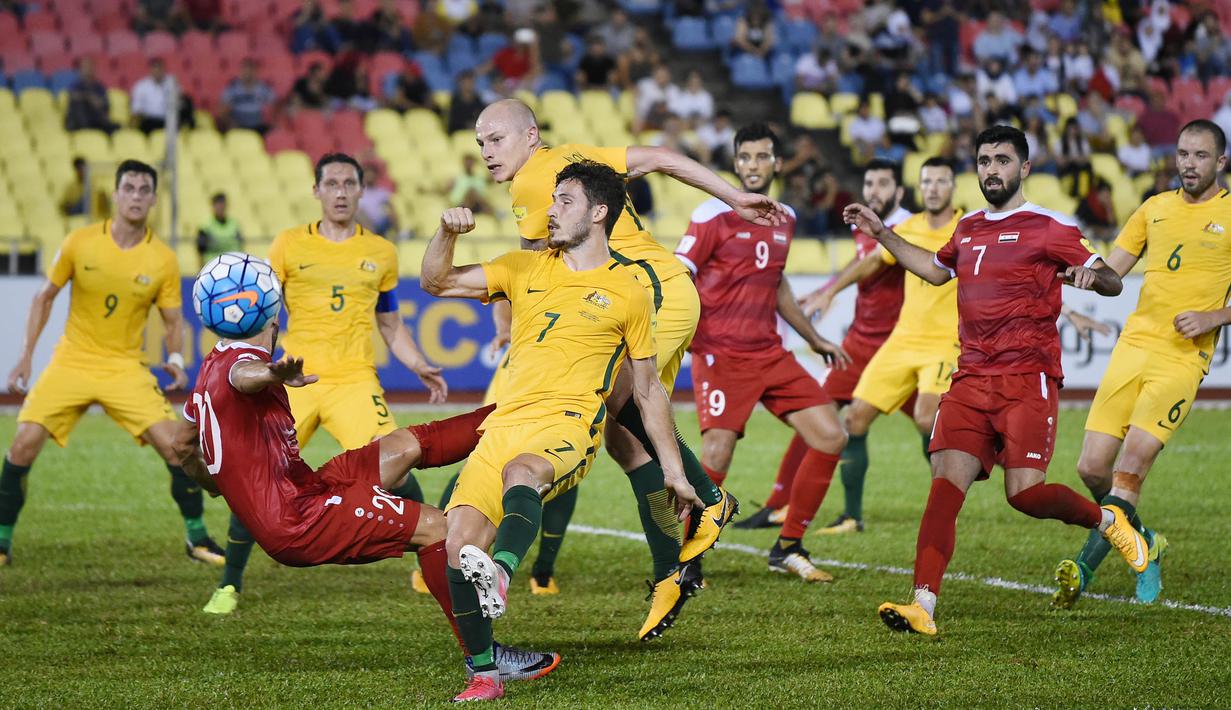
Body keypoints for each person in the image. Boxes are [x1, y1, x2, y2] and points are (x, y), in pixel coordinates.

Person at [471, 99, 784, 640]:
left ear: (529, 135)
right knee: (625, 441)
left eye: (496, 140)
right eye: (480, 143)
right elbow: (663, 157)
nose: (486, 153)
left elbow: (532, 270)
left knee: (616, 397)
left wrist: (514, 327)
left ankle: (710, 503)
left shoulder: (531, 184)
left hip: (644, 290)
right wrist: (734, 197)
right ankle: (672, 574)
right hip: (668, 289)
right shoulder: (575, 157)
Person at [845, 125, 1146, 635]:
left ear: (1024, 169)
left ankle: (1107, 521)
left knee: (1024, 495)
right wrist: (883, 234)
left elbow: (1113, 280)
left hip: (1028, 380)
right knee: (943, 487)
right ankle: (924, 604)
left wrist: (1093, 278)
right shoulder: (967, 229)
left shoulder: (1049, 225)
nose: (992, 169)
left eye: (1002, 160)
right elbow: (936, 271)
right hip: (969, 380)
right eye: (984, 160)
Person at [420, 162, 698, 701]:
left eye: (564, 201)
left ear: (598, 213)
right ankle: (484, 675)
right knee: (456, 545)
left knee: (522, 472)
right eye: (552, 200)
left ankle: (500, 572)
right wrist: (447, 233)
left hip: (568, 424)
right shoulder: (523, 267)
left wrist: (673, 469)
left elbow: (646, 392)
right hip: (505, 419)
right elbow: (437, 281)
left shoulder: (630, 290)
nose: (550, 209)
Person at [176, 320, 557, 691]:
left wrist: (219, 484)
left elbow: (183, 446)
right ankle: (486, 659)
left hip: (306, 485)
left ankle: (515, 414)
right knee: (439, 529)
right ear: (272, 321)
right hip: (300, 518)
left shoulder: (211, 363)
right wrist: (273, 376)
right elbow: (245, 376)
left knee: (407, 443)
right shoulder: (244, 366)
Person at [203, 154, 448, 614]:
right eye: (331, 183)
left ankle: (425, 549)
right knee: (259, 481)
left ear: (360, 190)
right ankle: (230, 583)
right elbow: (262, 314)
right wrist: (261, 367)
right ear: (315, 191)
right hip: (296, 379)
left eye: (348, 183)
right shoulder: (288, 246)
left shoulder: (380, 252)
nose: (340, 191)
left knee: (399, 466)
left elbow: (391, 324)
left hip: (355, 379)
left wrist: (419, 365)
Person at [1, 160, 224, 568]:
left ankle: (198, 539)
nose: (137, 196)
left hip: (125, 367)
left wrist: (174, 358)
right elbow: (44, 297)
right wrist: (26, 356)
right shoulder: (79, 242)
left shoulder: (162, 259)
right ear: (116, 195)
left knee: (177, 447)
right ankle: (1, 541)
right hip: (73, 360)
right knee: (22, 445)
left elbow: (172, 319)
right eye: (129, 188)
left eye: (144, 190)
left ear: (154, 199)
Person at [1054, 120, 1231, 609]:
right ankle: (1144, 539)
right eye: (1182, 154)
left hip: (1182, 358)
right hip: (1133, 346)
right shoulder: (1153, 209)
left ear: (1220, 163)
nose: (1187, 164)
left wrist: (1214, 316)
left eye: (1199, 155)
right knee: (1092, 469)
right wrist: (1083, 276)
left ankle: (1084, 571)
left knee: (1128, 471)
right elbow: (1112, 270)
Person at [674, 124, 850, 582]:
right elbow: (678, 275)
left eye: (762, 157)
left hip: (770, 353)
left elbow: (778, 285)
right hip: (721, 353)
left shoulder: (785, 217)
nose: (753, 165)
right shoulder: (711, 213)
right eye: (746, 157)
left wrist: (814, 338)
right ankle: (687, 558)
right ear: (735, 164)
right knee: (718, 451)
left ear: (777, 163)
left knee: (831, 436)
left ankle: (788, 545)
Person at [750, 160, 911, 534]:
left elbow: (873, 262)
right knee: (816, 411)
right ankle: (780, 504)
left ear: (899, 192)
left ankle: (1018, 476)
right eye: (869, 183)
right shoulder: (865, 225)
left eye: (884, 184)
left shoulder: (907, 227)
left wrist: (827, 291)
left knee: (935, 426)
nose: (874, 190)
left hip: (900, 347)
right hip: (860, 342)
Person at [831, 158, 964, 532]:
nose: (934, 188)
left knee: (925, 417)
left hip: (945, 342)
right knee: (853, 419)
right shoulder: (906, 227)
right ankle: (851, 516)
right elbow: (872, 262)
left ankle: (945, 505)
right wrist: (829, 293)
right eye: (928, 181)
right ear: (919, 188)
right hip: (903, 340)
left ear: (953, 186)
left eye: (941, 180)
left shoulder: (969, 228)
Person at [220, 59, 274, 133]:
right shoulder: (232, 88)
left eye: (250, 71)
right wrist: (230, 122)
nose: (248, 74)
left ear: (255, 72)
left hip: (257, 125)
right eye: (245, 71)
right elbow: (222, 110)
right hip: (238, 125)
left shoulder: (264, 88)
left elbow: (275, 106)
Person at [65, 57, 115, 133]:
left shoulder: (99, 86)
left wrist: (98, 102)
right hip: (79, 123)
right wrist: (88, 97)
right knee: (79, 104)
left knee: (117, 127)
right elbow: (72, 96)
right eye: (85, 67)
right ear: (80, 69)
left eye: (90, 67)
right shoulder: (76, 85)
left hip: (96, 121)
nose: (88, 70)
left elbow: (104, 104)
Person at [131, 58, 177, 134]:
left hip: (167, 120)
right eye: (155, 68)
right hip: (149, 120)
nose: (157, 71)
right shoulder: (141, 86)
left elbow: (179, 104)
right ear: (151, 70)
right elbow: (136, 109)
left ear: (164, 70)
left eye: (160, 68)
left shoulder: (172, 84)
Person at [196, 192, 243, 268]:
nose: (220, 207)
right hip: (212, 267)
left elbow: (240, 246)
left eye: (222, 204)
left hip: (232, 266)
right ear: (213, 206)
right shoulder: (205, 225)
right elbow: (200, 250)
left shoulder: (234, 224)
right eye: (218, 204)